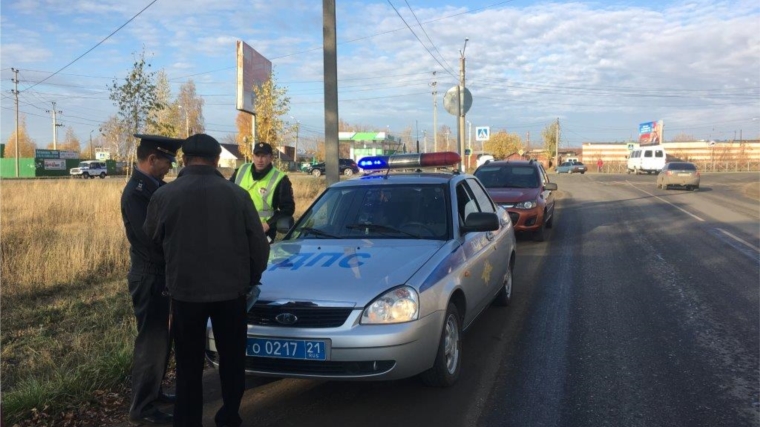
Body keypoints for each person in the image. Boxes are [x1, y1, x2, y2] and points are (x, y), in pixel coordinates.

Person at [143, 133, 270, 427]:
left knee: (188, 364)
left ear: (184, 160)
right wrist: (249, 279)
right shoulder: (238, 195)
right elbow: (259, 247)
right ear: (216, 161)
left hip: (185, 294)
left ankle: (187, 421)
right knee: (232, 358)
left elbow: (152, 242)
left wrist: (171, 276)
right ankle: (229, 415)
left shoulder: (163, 196)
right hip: (231, 293)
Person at [120, 134, 183, 425]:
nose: (169, 166)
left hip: (161, 275)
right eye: (167, 161)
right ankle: (141, 408)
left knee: (162, 340)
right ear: (152, 159)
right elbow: (149, 239)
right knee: (152, 342)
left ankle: (155, 392)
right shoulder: (136, 192)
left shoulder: (155, 187)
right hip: (149, 276)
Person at [231, 142, 295, 243]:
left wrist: (268, 224)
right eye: (257, 155)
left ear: (271, 158)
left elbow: (288, 208)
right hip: (237, 227)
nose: (260, 160)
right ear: (253, 156)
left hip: (262, 231)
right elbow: (227, 194)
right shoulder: (241, 170)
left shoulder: (280, 179)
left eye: (264, 156)